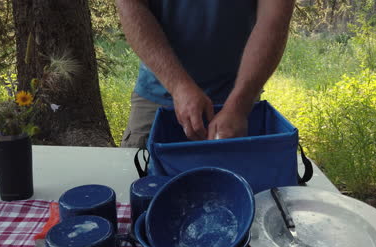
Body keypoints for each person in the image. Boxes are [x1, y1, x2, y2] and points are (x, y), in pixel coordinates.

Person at [116, 0, 295, 148]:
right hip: (157, 100)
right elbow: (131, 7)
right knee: (140, 182)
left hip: (239, 103)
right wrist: (179, 86)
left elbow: (274, 18)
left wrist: (239, 105)